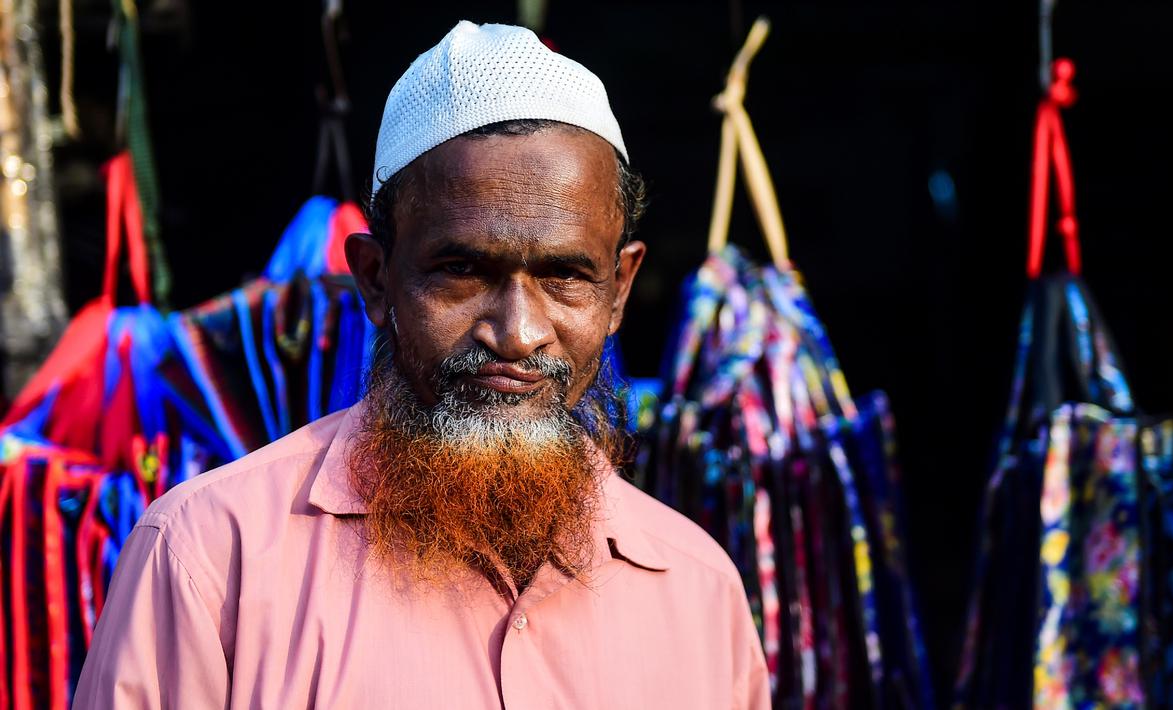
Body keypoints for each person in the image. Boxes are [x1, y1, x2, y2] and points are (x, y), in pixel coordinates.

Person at [75, 20, 769, 709]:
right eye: (461, 271)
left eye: (563, 276)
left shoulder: (698, 589)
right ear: (376, 280)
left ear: (617, 290)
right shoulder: (208, 558)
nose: (517, 334)